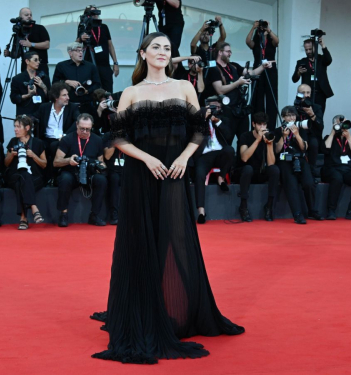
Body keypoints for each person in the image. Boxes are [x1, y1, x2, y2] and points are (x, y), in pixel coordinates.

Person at [91, 32, 244, 364]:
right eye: (156, 47)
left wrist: (185, 157)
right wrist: (146, 158)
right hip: (140, 178)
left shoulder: (184, 87)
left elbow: (199, 130)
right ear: (143, 53)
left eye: (167, 48)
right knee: (142, 242)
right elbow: (117, 138)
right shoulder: (130, 93)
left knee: (176, 240)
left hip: (175, 174)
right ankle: (146, 310)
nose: (163, 52)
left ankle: (178, 312)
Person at [209, 42, 272, 143]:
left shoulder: (233, 66)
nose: (230, 54)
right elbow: (219, 90)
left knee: (244, 140)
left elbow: (251, 73)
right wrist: (238, 83)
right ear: (220, 52)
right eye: (228, 51)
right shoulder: (214, 69)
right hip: (226, 111)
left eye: (230, 51)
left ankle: (243, 158)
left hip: (240, 109)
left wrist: (263, 66)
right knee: (226, 140)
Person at [53, 114, 107, 227]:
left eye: (88, 129)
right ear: (76, 125)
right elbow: (56, 162)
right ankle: (63, 213)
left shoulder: (97, 140)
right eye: (82, 128)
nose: (85, 131)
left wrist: (100, 166)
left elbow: (101, 161)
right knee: (65, 178)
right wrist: (69, 160)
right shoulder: (67, 139)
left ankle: (94, 215)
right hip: (72, 172)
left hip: (89, 173)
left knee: (101, 180)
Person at [275, 106, 324, 224]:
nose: (291, 117)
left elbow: (304, 148)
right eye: (288, 115)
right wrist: (284, 137)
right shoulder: (278, 130)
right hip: (284, 160)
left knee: (309, 183)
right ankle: (297, 214)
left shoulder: (301, 129)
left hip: (300, 158)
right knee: (291, 185)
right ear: (283, 117)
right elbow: (277, 150)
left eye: (293, 115)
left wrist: (296, 134)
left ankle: (312, 210)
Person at [193, 95, 234, 224]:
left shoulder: (224, 120)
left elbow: (229, 137)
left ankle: (221, 177)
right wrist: (202, 119)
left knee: (230, 150)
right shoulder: (197, 120)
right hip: (204, 155)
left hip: (219, 152)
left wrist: (217, 122)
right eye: (211, 107)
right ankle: (201, 211)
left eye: (217, 106)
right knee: (199, 174)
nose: (214, 109)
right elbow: (191, 136)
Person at [235, 112, 280, 222]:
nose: (262, 127)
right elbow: (244, 157)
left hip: (260, 172)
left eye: (264, 125)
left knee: (275, 170)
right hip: (243, 172)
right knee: (248, 169)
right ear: (254, 124)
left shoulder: (269, 135)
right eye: (260, 124)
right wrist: (258, 140)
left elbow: (271, 164)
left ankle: (269, 206)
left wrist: (269, 145)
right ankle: (243, 206)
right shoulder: (245, 136)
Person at [4, 115, 47, 229]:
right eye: (15, 126)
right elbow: (6, 164)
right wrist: (12, 156)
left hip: (34, 177)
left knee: (21, 182)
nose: (15, 129)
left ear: (27, 128)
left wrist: (34, 156)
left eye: (18, 126)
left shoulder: (38, 142)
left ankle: (23, 218)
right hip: (14, 175)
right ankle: (34, 207)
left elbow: (44, 164)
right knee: (22, 176)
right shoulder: (13, 142)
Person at [34, 82, 80, 184]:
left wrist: (65, 135)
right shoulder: (44, 107)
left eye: (67, 94)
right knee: (40, 145)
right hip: (46, 138)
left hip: (64, 139)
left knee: (55, 146)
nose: (68, 97)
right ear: (55, 97)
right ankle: (41, 178)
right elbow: (34, 118)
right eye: (64, 95)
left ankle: (51, 177)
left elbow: (78, 120)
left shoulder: (72, 107)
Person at [321, 116, 351, 220]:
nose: (342, 126)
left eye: (344, 123)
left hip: (348, 170)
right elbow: (325, 149)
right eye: (339, 123)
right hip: (331, 169)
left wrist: (348, 137)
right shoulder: (328, 137)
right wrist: (332, 132)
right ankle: (331, 210)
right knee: (337, 178)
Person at [4, 7, 51, 87]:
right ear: (20, 17)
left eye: (30, 15)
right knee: (25, 89)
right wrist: (9, 54)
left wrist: (31, 44)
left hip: (40, 66)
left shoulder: (40, 28)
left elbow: (47, 44)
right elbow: (17, 54)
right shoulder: (18, 32)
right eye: (26, 15)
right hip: (25, 67)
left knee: (43, 90)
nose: (29, 16)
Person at [77, 5, 119, 93]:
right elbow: (76, 44)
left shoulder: (103, 27)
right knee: (91, 89)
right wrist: (81, 38)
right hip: (89, 64)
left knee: (107, 89)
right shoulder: (83, 26)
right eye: (92, 13)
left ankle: (108, 105)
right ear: (87, 15)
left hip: (104, 65)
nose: (94, 15)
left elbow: (110, 45)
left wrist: (115, 63)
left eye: (95, 12)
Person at [246, 20, 279, 130]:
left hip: (270, 68)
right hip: (258, 69)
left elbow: (277, 41)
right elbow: (248, 42)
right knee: (257, 98)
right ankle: (257, 124)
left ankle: (271, 127)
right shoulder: (256, 41)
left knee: (271, 98)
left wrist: (268, 30)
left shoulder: (271, 39)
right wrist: (253, 28)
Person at [52, 42, 101, 113]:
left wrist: (87, 91)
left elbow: (97, 84)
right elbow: (54, 84)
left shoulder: (91, 66)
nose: (81, 53)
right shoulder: (61, 66)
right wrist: (66, 82)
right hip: (68, 105)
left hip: (87, 105)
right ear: (70, 53)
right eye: (77, 51)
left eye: (82, 50)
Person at [291, 37, 333, 114]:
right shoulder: (301, 62)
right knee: (305, 114)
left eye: (310, 49)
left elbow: (329, 60)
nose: (308, 51)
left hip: (320, 93)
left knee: (319, 114)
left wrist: (322, 45)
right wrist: (298, 72)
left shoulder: (321, 59)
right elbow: (294, 79)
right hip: (306, 93)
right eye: (306, 50)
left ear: (315, 48)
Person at [294, 84, 324, 178]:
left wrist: (312, 115)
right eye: (303, 93)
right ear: (298, 94)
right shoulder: (294, 108)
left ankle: (312, 170)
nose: (306, 95)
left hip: (312, 135)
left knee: (314, 143)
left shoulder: (316, 107)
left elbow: (320, 127)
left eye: (308, 92)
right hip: (297, 135)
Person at [10, 51, 48, 117]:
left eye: (39, 60)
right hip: (25, 113)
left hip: (41, 112)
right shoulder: (17, 79)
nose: (38, 62)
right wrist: (28, 95)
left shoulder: (44, 77)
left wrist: (44, 87)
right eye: (35, 60)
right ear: (27, 61)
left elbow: (50, 97)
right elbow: (13, 98)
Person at [102, 132, 123, 225]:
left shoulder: (131, 134)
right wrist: (115, 142)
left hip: (127, 169)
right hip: (113, 169)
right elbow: (107, 156)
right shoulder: (108, 136)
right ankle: (114, 214)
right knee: (114, 179)